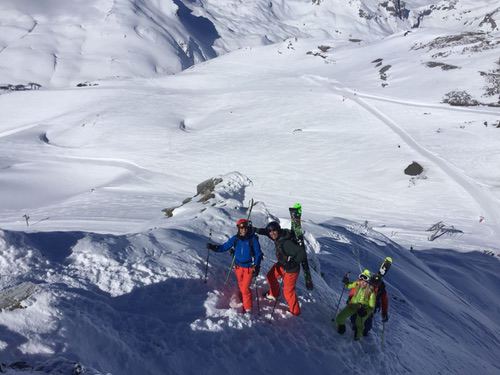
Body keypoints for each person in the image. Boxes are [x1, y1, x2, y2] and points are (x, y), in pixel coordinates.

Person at [255, 221, 313, 316]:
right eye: (270, 231)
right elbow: (266, 232)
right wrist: (255, 230)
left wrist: (293, 262)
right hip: (282, 264)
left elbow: (302, 253)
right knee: (271, 276)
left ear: (278, 230)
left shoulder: (286, 243)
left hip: (291, 270)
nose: (272, 233)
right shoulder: (277, 235)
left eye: (274, 230)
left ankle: (295, 312)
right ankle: (274, 294)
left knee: (288, 291)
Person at [207, 218, 262, 313]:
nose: (243, 229)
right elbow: (224, 247)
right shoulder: (235, 239)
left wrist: (256, 265)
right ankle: (245, 298)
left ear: (248, 228)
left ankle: (248, 309)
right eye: (241, 228)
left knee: (244, 289)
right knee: (241, 286)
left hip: (249, 268)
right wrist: (214, 247)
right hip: (238, 267)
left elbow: (258, 254)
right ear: (238, 228)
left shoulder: (252, 239)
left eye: (245, 227)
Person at [335, 269, 376, 340]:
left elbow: (371, 307)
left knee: (359, 324)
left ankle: (357, 336)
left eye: (365, 278)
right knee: (340, 317)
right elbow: (348, 285)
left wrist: (366, 312)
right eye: (361, 277)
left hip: (362, 310)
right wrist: (346, 281)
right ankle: (341, 327)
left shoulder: (371, 292)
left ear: (368, 281)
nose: (362, 280)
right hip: (353, 305)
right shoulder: (357, 284)